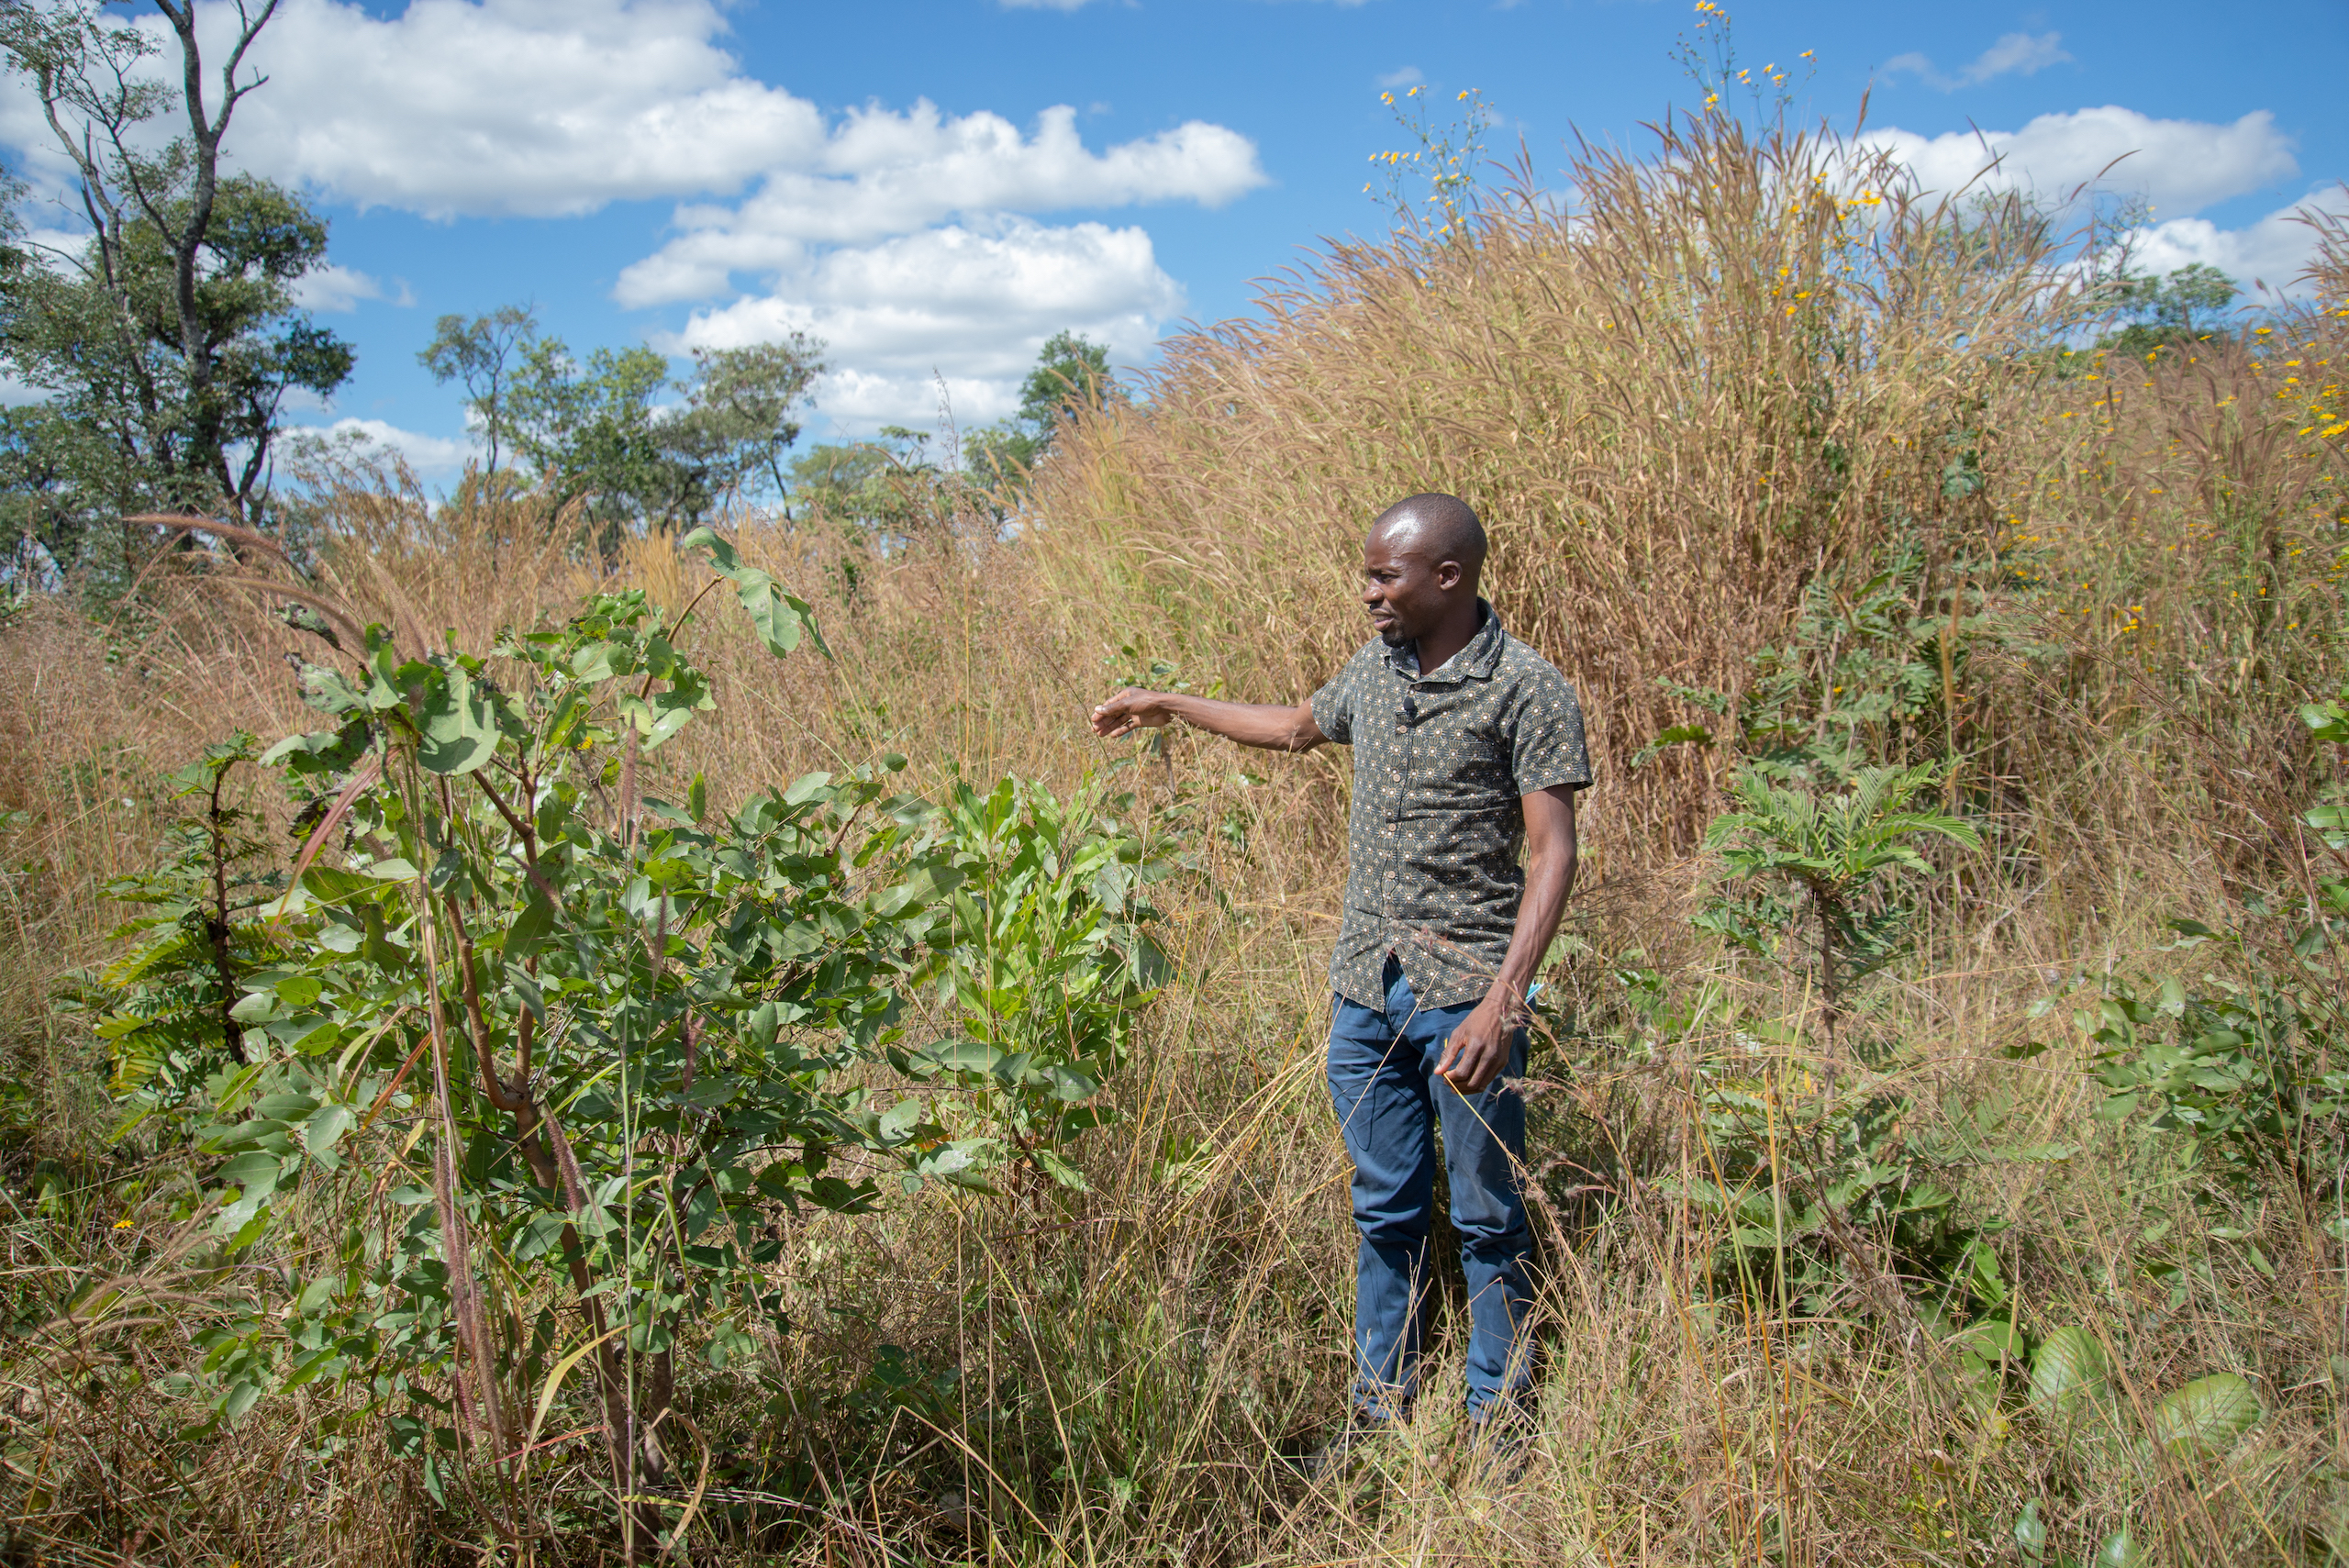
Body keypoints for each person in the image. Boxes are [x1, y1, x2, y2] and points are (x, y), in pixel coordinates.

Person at [1089, 492, 1589, 1463]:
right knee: (1384, 1202)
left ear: (1447, 576)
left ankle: (1501, 1417)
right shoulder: (1378, 668)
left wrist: (1503, 997)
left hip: (1463, 992)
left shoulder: (1526, 688)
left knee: (1486, 1210)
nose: (1366, 592)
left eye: (1382, 574)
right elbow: (1292, 726)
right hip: (1367, 986)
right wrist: (1169, 704)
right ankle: (1381, 1407)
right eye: (1366, 573)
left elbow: (1553, 852)